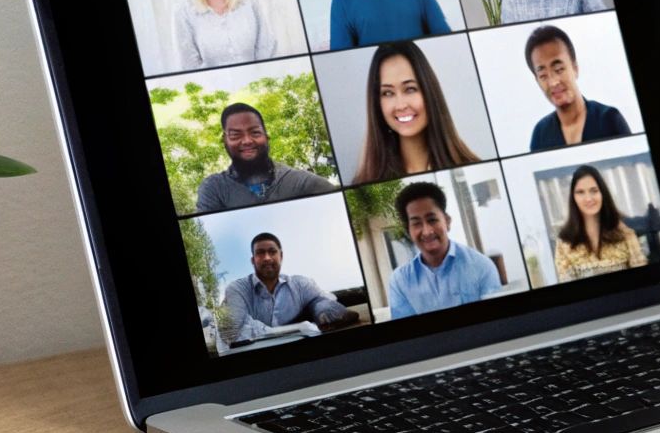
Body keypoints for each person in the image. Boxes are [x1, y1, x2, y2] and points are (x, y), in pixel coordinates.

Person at [351, 42, 483, 184]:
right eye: (388, 93)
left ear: (429, 92)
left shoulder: (475, 169)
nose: (401, 105)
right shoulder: (365, 183)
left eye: (410, 89)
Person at [194, 103, 337, 212]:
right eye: (236, 135)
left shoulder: (300, 182)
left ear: (266, 137)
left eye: (255, 133)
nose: (247, 141)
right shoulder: (214, 188)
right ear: (225, 141)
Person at [387, 181, 501, 317]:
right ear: (408, 231)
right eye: (416, 223)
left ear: (447, 221)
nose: (427, 231)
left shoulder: (481, 266)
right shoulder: (400, 281)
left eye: (432, 220)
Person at [218, 232, 354, 342]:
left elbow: (330, 302)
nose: (267, 258)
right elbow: (230, 334)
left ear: (281, 256)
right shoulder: (237, 289)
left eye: (272, 252)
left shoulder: (300, 285)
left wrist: (318, 309)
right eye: (260, 253)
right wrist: (299, 327)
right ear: (253, 260)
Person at [523, 25, 632, 151]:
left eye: (559, 69)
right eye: (543, 76)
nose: (553, 82)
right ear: (537, 80)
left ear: (575, 68)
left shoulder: (609, 119)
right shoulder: (540, 134)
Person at [553, 165, 647, 282]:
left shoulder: (625, 233)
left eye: (594, 191)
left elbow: (642, 280)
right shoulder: (564, 242)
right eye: (580, 192)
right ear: (573, 198)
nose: (588, 198)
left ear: (603, 193)